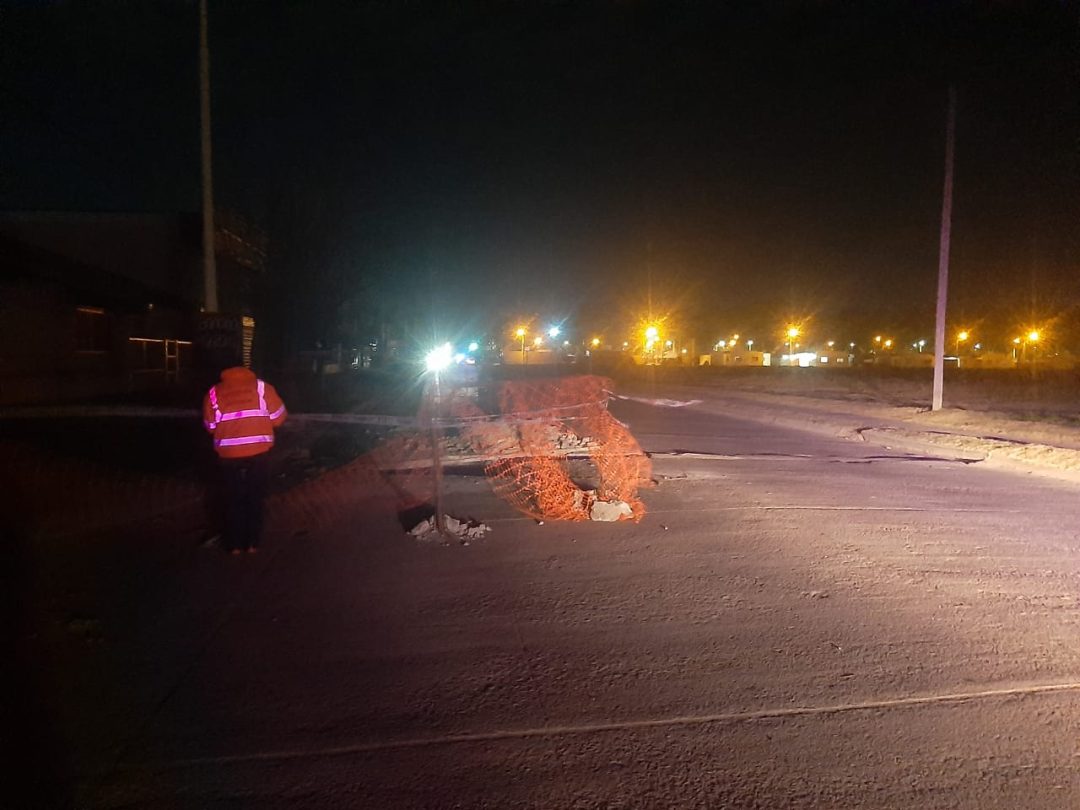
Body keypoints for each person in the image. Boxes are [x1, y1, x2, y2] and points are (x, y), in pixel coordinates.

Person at [202, 366, 287, 554]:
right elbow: (279, 418)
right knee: (255, 497)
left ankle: (234, 545)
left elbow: (210, 426)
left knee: (233, 498)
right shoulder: (263, 389)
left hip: (229, 455)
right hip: (259, 452)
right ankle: (252, 544)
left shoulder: (214, 393)